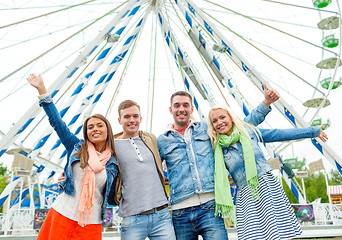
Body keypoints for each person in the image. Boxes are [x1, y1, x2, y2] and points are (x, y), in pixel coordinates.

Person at [157, 85, 279, 239]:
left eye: (185, 105)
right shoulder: (162, 141)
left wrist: (266, 103)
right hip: (180, 211)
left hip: (210, 207)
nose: (181, 109)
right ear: (171, 110)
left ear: (192, 109)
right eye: (177, 106)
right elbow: (149, 168)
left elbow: (240, 125)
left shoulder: (206, 129)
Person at [207, 104, 328, 240]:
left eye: (222, 117)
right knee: (252, 236)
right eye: (214, 121)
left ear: (231, 117)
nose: (219, 123)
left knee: (277, 233)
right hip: (246, 195)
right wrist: (230, 177)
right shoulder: (218, 149)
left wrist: (313, 131)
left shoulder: (248, 131)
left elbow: (280, 134)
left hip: (266, 186)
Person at [27, 74, 119, 240]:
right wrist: (42, 90)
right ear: (86, 132)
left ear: (108, 131)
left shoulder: (114, 161)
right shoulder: (77, 147)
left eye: (100, 125)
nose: (95, 129)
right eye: (90, 127)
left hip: (91, 221)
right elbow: (57, 123)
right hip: (62, 213)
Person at [110, 99, 176, 240]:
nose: (132, 120)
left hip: (161, 215)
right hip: (132, 217)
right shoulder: (112, 147)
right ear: (119, 120)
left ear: (140, 118)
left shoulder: (151, 139)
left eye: (135, 116)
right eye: (127, 117)